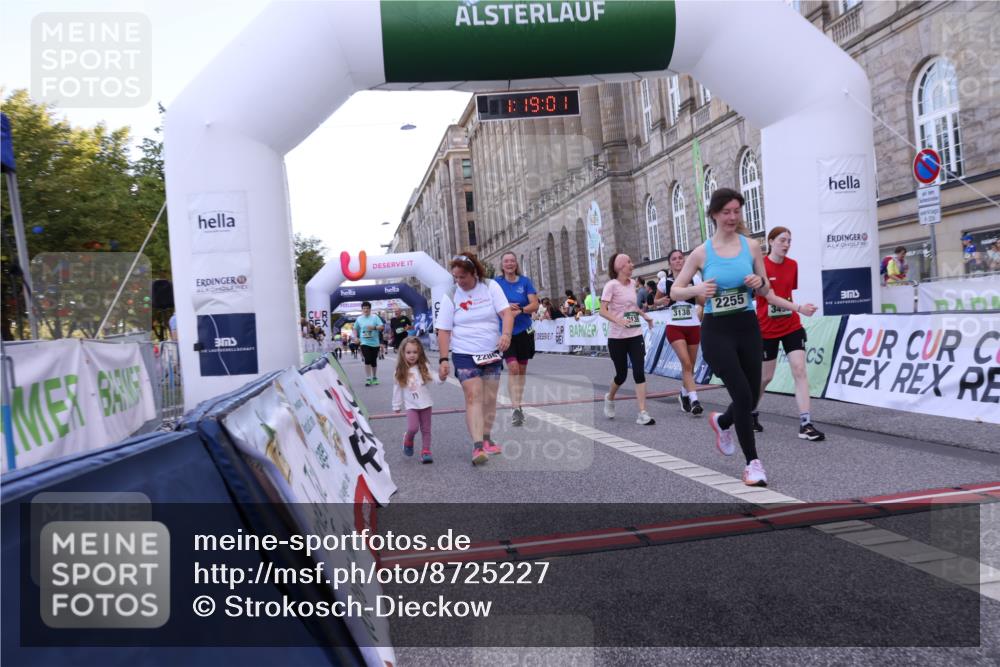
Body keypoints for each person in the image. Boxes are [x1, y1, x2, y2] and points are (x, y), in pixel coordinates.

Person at [671, 187, 771, 487]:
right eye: (726, 212)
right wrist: (697, 290)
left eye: (736, 211)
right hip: (717, 331)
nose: (732, 217)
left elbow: (766, 288)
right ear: (714, 214)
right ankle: (753, 464)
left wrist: (759, 282)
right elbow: (675, 291)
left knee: (751, 395)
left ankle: (723, 422)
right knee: (742, 395)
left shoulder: (751, 246)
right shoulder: (702, 252)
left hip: (747, 327)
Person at [436, 251, 515, 465]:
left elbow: (506, 313)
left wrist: (506, 335)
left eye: (463, 277)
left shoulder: (490, 287)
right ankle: (477, 446)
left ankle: (487, 439)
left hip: (491, 350)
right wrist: (443, 359)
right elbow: (443, 329)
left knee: (489, 398)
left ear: (474, 273)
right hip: (464, 352)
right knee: (473, 396)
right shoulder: (451, 294)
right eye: (456, 277)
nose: (459, 281)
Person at [753, 226, 824, 441]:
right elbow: (771, 297)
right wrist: (800, 308)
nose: (786, 245)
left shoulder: (793, 265)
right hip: (767, 328)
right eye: (782, 240)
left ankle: (806, 423)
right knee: (766, 377)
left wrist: (796, 310)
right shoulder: (761, 266)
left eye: (789, 241)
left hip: (791, 325)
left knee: (800, 370)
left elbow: (787, 295)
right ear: (771, 241)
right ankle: (751, 411)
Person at [600, 253, 657, 426]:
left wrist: (644, 316)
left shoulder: (632, 284)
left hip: (635, 334)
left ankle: (642, 412)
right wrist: (618, 320)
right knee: (621, 375)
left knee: (639, 372)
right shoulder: (611, 285)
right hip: (617, 337)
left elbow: (632, 307)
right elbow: (602, 310)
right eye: (629, 262)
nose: (632, 265)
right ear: (620, 266)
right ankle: (610, 397)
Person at [658, 249, 705, 416]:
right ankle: (695, 400)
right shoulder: (665, 282)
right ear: (669, 263)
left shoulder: (695, 278)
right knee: (686, 363)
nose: (678, 261)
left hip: (693, 326)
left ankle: (684, 394)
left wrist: (695, 292)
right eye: (674, 259)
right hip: (675, 327)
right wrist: (661, 301)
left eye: (680, 258)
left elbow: (702, 302)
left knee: (690, 366)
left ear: (684, 261)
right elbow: (654, 301)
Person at [496, 251, 539, 427]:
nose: (509, 264)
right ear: (502, 265)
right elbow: (490, 303)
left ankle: (518, 404)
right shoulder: (496, 283)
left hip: (524, 331)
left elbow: (535, 305)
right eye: (506, 261)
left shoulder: (525, 282)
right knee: (513, 368)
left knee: (521, 371)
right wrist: (506, 307)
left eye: (512, 261)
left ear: (516, 264)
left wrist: (520, 310)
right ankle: (515, 408)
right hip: (506, 333)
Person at [392, 337, 439, 464]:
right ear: (403, 353)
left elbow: (436, 378)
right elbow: (397, 389)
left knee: (426, 429)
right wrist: (396, 405)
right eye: (408, 352)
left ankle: (426, 451)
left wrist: (442, 376)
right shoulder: (400, 371)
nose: (412, 355)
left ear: (420, 353)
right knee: (413, 428)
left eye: (415, 352)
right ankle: (408, 439)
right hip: (411, 405)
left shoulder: (424, 366)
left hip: (426, 403)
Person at [355, 302, 384, 386]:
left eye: (367, 308)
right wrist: (356, 337)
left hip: (375, 343)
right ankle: (368, 378)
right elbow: (355, 329)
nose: (366, 310)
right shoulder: (359, 319)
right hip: (364, 342)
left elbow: (382, 327)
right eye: (364, 308)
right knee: (367, 359)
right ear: (362, 309)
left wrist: (374, 327)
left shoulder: (375, 317)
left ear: (370, 309)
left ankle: (374, 377)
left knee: (373, 361)